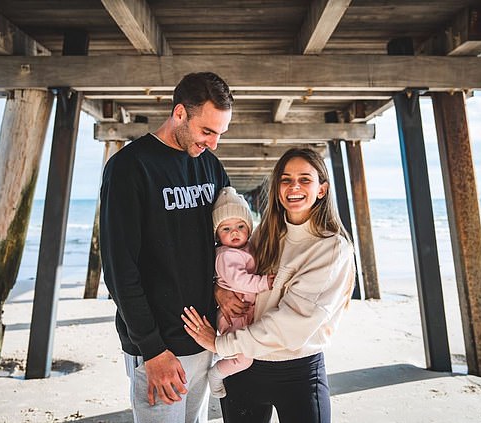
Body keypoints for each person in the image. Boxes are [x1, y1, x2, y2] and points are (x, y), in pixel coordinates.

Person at [183, 147, 356, 423]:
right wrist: (219, 290)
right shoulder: (265, 233)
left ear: (322, 190)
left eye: (305, 179)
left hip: (297, 374)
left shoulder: (332, 249)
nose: (294, 187)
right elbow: (229, 269)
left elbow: (290, 326)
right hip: (244, 372)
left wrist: (220, 344)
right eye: (286, 179)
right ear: (277, 189)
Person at [100, 72, 234, 423]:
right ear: (179, 114)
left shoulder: (210, 165)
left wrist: (225, 294)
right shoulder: (130, 168)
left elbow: (228, 243)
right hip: (160, 350)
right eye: (207, 131)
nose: (214, 143)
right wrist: (153, 350)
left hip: (204, 340)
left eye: (220, 133)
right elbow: (119, 268)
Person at [208, 186, 275, 398]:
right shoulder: (226, 255)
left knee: (251, 347)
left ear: (249, 227)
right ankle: (216, 374)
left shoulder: (246, 248)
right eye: (226, 229)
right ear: (217, 235)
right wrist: (264, 283)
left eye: (240, 226)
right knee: (243, 358)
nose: (234, 232)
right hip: (232, 316)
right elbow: (241, 280)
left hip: (244, 312)